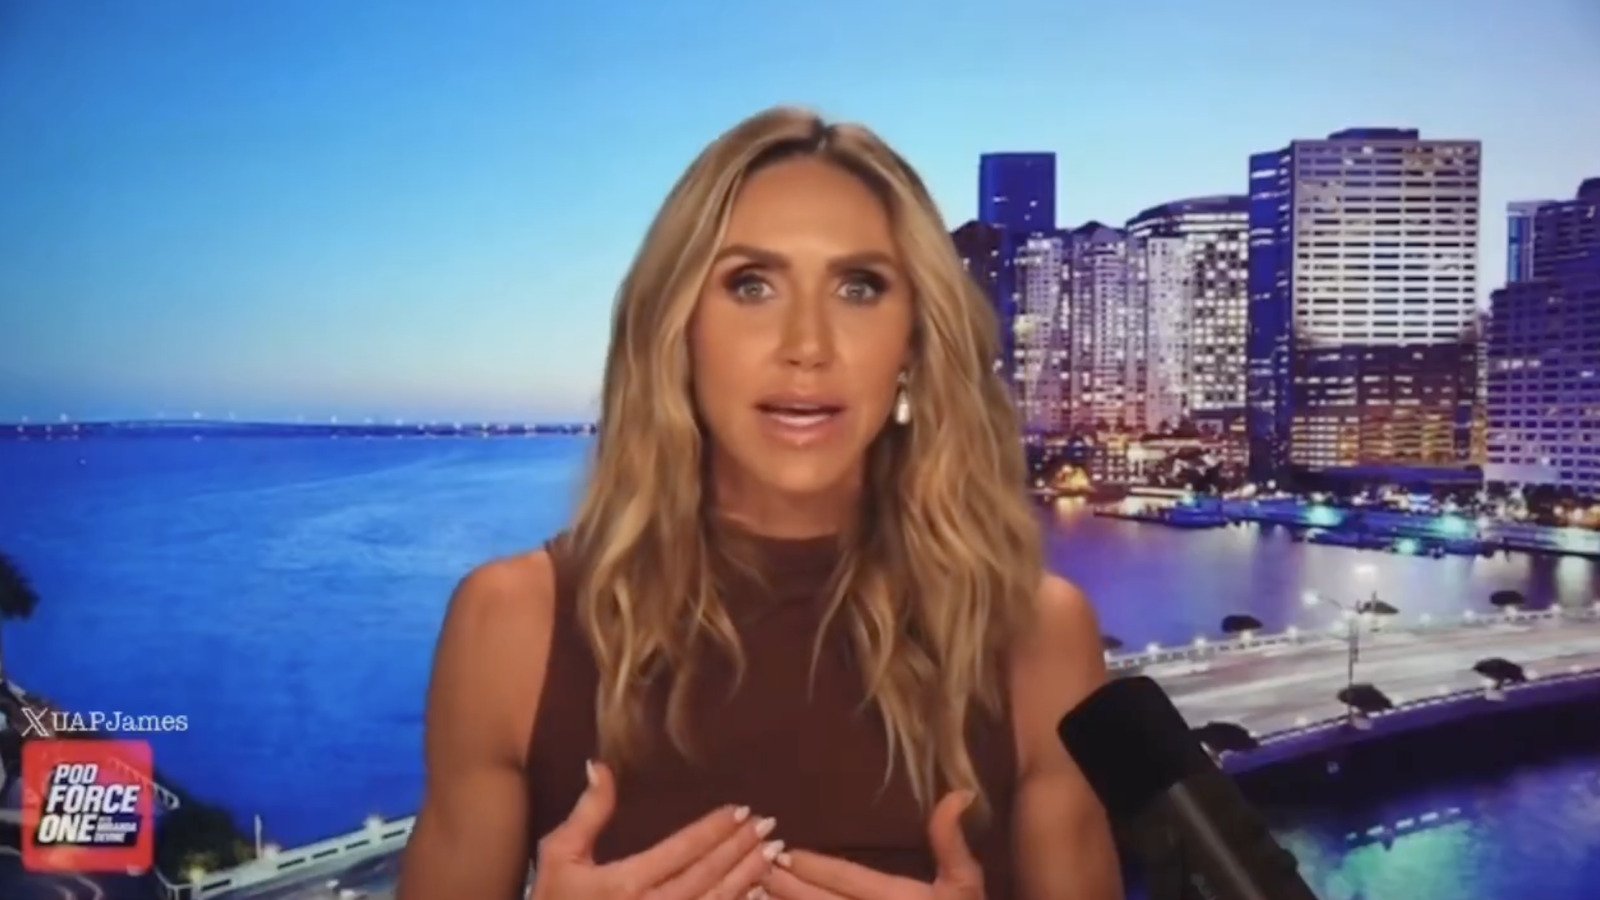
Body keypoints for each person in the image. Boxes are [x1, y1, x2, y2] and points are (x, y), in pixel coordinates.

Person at [397, 106, 1123, 900]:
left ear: (914, 342)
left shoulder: (1039, 638)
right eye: (751, 285)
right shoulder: (511, 627)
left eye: (859, 287)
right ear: (677, 329)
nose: (807, 345)